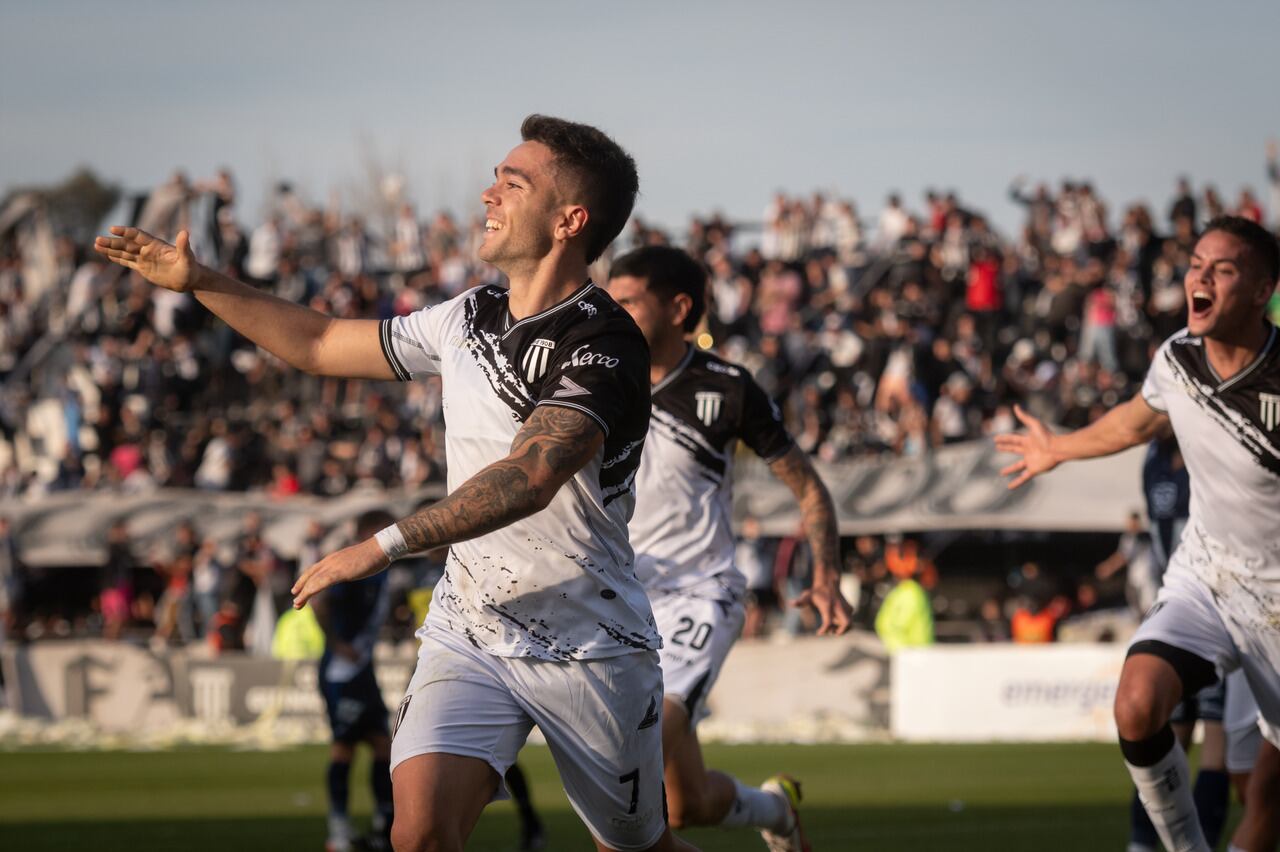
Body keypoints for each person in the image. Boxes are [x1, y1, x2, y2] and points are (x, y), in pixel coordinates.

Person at [97, 114, 693, 852]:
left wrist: (382, 546)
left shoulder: (605, 341)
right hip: (472, 628)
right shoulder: (466, 315)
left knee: (637, 850)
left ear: (570, 220)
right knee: (419, 836)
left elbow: (532, 475)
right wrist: (200, 282)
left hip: (589, 644)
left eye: (513, 182)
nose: (488, 193)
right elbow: (318, 343)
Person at [996, 216, 1280, 852]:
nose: (1199, 277)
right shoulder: (1178, 356)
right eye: (1196, 264)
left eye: (1223, 269)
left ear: (1263, 291)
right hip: (1207, 578)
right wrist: (1058, 450)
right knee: (1136, 703)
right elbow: (1136, 421)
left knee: (1263, 800)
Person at [605, 246, 852, 852]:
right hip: (620, 601)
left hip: (698, 595)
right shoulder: (598, 381)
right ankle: (776, 811)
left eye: (628, 300)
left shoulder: (726, 388)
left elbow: (808, 487)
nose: (611, 311)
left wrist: (826, 574)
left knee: (625, 773)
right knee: (686, 806)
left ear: (678, 308)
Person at [312, 510, 396, 852]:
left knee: (383, 746)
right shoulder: (353, 565)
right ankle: (339, 832)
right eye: (383, 531)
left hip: (363, 670)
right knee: (344, 748)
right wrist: (336, 643)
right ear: (365, 533)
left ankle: (383, 825)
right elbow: (320, 601)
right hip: (340, 673)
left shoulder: (382, 571)